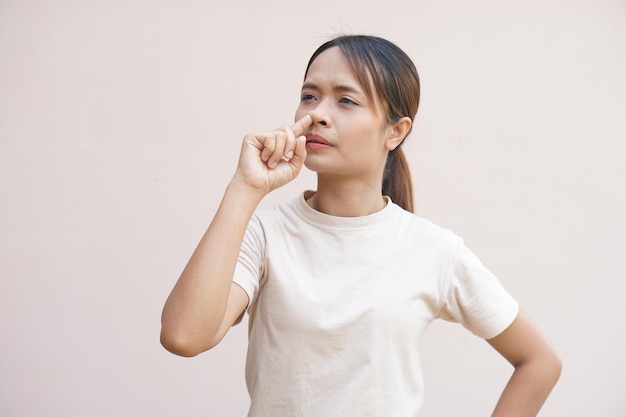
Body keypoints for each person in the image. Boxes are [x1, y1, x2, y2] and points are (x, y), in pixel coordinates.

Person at [160, 35, 561, 417]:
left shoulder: (433, 249)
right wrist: (245, 189)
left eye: (346, 100)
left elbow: (539, 362)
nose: (316, 113)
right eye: (309, 96)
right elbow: (184, 337)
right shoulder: (266, 233)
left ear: (396, 131)